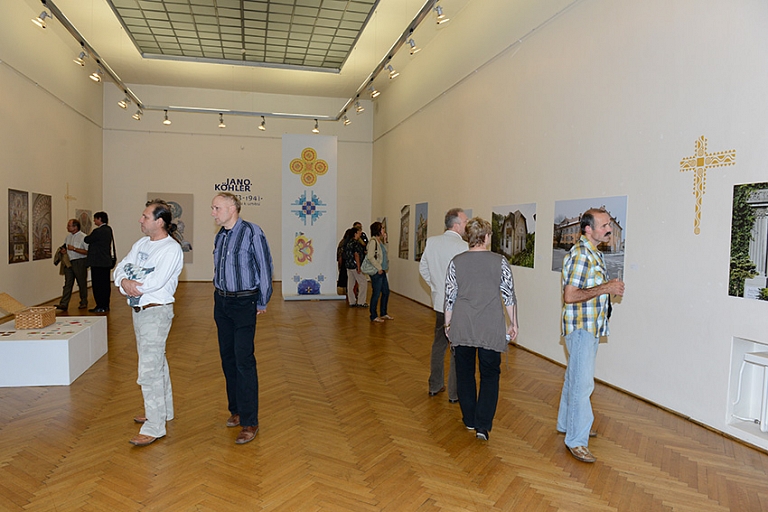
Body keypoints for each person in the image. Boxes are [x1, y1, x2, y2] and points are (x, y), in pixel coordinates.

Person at [114, 199, 184, 447]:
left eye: (145, 217)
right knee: (156, 362)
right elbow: (121, 267)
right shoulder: (142, 244)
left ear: (159, 222)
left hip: (156, 313)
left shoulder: (171, 249)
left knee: (149, 369)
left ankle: (154, 426)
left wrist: (132, 279)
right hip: (139, 311)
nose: (140, 220)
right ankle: (163, 411)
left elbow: (156, 281)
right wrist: (124, 281)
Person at [557, 208, 625, 463]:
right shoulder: (581, 255)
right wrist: (606, 287)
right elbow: (570, 295)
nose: (609, 229)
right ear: (588, 229)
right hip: (581, 329)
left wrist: (607, 289)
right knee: (582, 384)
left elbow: (587, 289)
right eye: (604, 225)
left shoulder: (594, 253)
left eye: (609, 225)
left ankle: (568, 424)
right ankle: (576, 440)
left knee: (573, 378)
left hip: (590, 327)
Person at [444, 217, 518, 441]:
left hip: (463, 324)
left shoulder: (456, 262)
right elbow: (508, 295)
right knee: (490, 374)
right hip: (490, 326)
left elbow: (450, 297)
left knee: (465, 373)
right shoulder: (500, 262)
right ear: (486, 237)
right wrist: (513, 322)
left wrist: (448, 324)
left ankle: (469, 418)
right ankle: (482, 425)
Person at [211, 192, 273, 445]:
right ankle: (236, 410)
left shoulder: (252, 232)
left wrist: (262, 300)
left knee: (244, 360)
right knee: (228, 358)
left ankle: (250, 421)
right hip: (222, 302)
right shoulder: (221, 236)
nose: (213, 213)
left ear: (232, 208)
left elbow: (265, 267)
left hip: (244, 302)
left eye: (216, 208)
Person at [419, 208, 468, 402]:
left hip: (440, 303)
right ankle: (454, 393)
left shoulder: (432, 242)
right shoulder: (463, 247)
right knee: (457, 349)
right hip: (458, 306)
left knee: (439, 344)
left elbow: (423, 268)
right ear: (456, 225)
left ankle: (435, 385)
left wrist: (435, 287)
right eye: (465, 222)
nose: (466, 225)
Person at [55, 219, 89, 311]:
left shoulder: (83, 237)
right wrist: (64, 251)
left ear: (75, 227)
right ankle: (64, 303)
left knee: (81, 283)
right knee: (67, 283)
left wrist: (74, 249)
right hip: (69, 262)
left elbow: (87, 251)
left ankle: (83, 302)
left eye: (69, 226)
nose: (67, 227)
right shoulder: (68, 237)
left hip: (80, 261)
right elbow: (66, 247)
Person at [84, 211, 114, 313]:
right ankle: (105, 305)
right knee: (105, 285)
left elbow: (87, 239)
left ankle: (100, 306)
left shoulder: (98, 231)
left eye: (95, 219)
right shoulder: (108, 229)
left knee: (97, 286)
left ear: (100, 219)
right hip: (105, 262)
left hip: (97, 262)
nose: (94, 221)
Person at [366, 221, 392, 323]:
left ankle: (383, 313)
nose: (384, 230)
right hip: (377, 272)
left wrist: (385, 240)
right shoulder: (373, 242)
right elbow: (370, 257)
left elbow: (385, 253)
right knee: (376, 293)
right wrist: (378, 267)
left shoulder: (379, 242)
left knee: (386, 292)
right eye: (382, 228)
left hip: (382, 271)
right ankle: (373, 315)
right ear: (378, 230)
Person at [344, 227, 368, 307]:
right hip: (354, 266)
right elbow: (356, 255)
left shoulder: (348, 243)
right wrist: (358, 266)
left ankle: (352, 301)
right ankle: (361, 301)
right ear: (355, 233)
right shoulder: (356, 243)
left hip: (349, 266)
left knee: (350, 284)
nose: (360, 233)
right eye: (359, 232)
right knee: (363, 282)